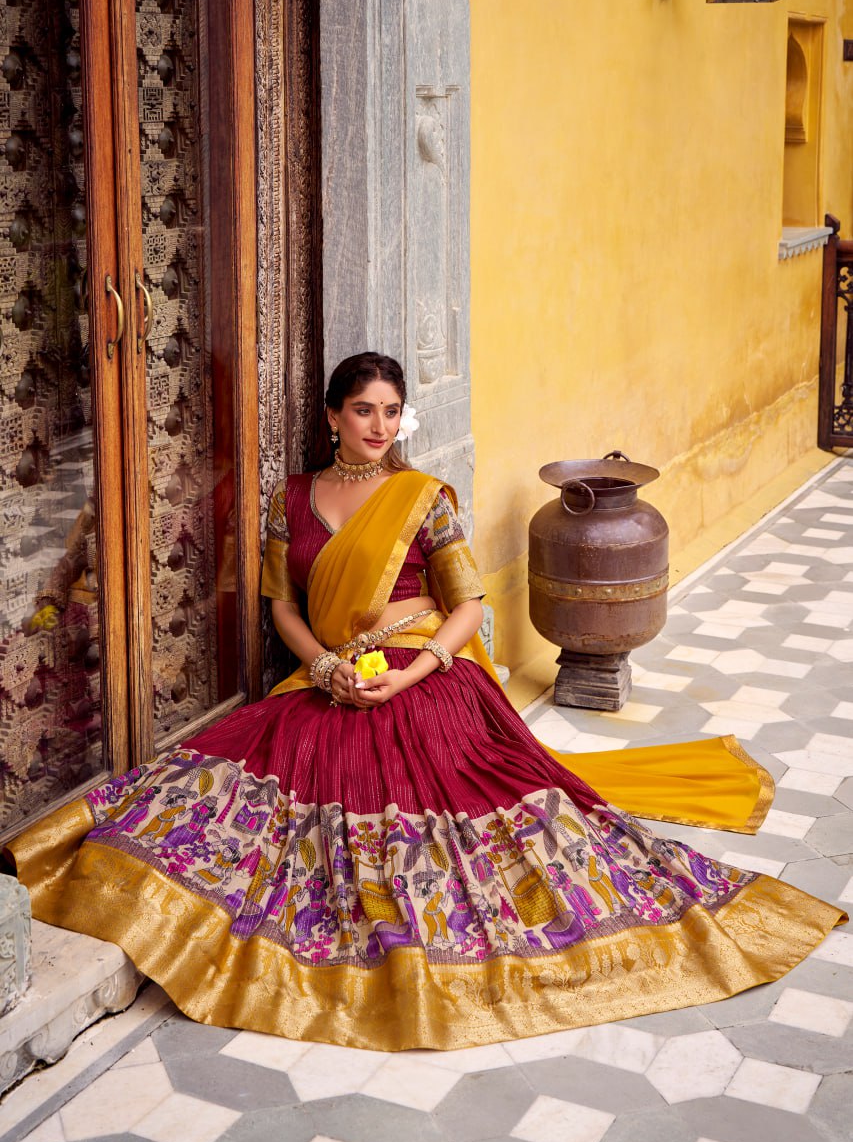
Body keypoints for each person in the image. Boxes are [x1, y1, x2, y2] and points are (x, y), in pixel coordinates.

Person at [9, 353, 844, 1051]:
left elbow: (469, 607)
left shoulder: (425, 497)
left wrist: (413, 671)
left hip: (423, 662)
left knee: (426, 782)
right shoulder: (289, 500)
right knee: (237, 769)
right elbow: (282, 609)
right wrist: (327, 668)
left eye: (392, 411)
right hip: (328, 668)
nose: (379, 425)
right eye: (364, 409)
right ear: (332, 413)